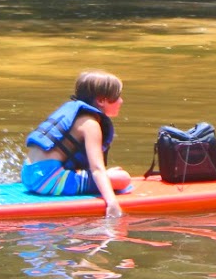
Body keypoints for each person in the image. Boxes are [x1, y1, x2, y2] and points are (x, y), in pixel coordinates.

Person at [23, 70, 133, 218]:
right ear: (101, 100)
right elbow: (96, 168)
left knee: (112, 174)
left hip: (27, 174)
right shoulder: (90, 124)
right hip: (47, 180)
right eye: (117, 96)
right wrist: (112, 203)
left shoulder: (74, 114)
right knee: (123, 178)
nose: (121, 101)